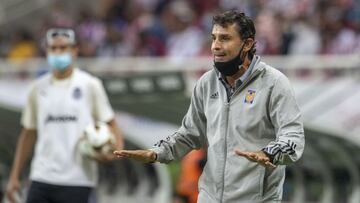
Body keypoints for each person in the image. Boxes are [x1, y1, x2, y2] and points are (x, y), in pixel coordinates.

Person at [114, 10, 305, 202]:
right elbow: (190, 134)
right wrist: (156, 153)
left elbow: (293, 136)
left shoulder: (274, 83)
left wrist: (269, 153)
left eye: (225, 38)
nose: (215, 46)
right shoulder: (206, 83)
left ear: (247, 44)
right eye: (214, 38)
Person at [6, 28, 124, 203]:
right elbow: (28, 132)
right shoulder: (37, 88)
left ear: (75, 50)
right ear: (47, 51)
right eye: (53, 48)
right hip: (41, 177)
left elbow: (111, 123)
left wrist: (115, 153)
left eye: (63, 48)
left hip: (78, 179)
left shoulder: (90, 85)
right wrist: (14, 176)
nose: (58, 52)